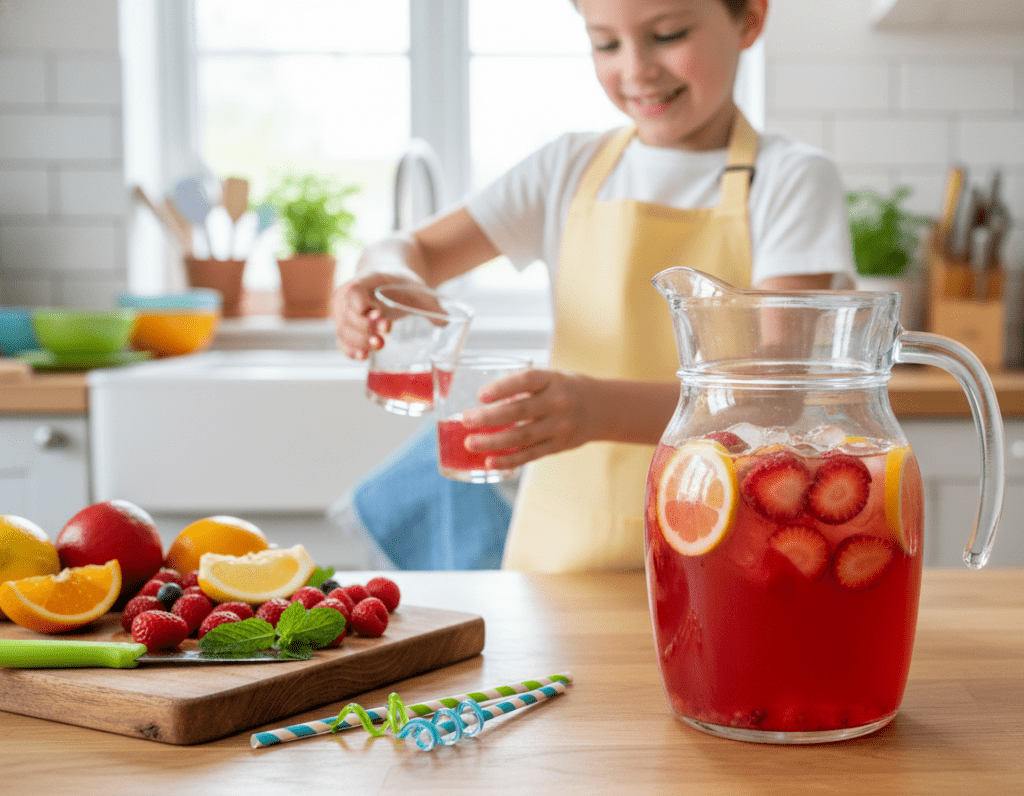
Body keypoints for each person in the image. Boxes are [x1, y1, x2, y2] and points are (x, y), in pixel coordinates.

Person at [332, 0, 856, 573]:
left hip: (726, 559)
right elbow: (415, 249)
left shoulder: (792, 179)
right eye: (606, 43)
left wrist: (592, 409)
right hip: (554, 561)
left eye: (668, 34)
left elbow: (773, 397)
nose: (636, 70)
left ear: (750, 18)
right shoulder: (567, 167)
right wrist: (386, 278)